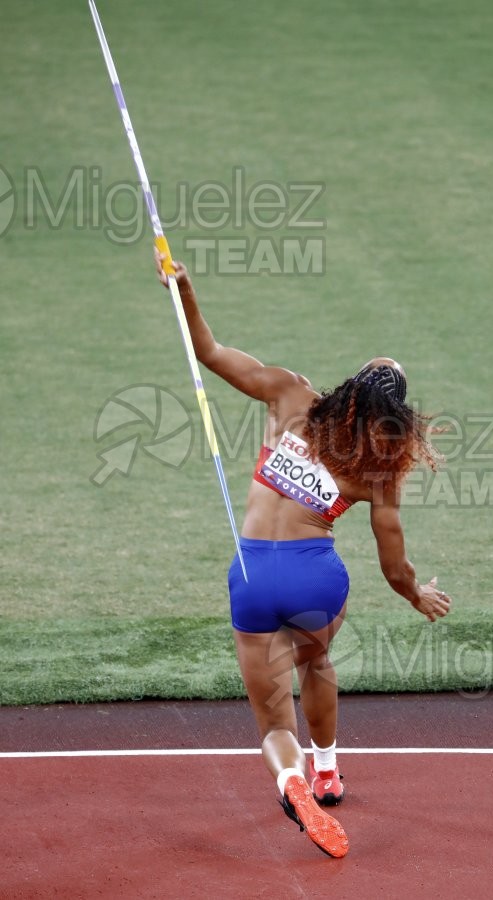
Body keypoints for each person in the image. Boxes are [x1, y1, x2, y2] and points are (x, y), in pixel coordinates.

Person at [154, 249, 452, 859]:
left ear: (350, 388)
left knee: (270, 716)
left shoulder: (291, 396)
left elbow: (208, 352)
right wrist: (417, 594)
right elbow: (395, 567)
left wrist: (182, 287)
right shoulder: (378, 472)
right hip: (316, 582)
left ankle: (289, 777)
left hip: (252, 576)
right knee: (315, 664)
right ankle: (325, 772)